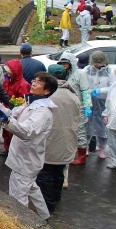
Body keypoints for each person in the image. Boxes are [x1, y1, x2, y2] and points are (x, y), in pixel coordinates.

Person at [0, 72, 59, 221]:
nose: (34, 83)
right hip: (24, 159)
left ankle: (21, 226)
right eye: (34, 80)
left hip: (26, 161)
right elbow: (13, 114)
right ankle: (44, 217)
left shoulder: (42, 112)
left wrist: (6, 121)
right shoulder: (31, 103)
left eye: (39, 82)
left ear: (47, 91)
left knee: (18, 198)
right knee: (32, 188)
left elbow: (26, 132)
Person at [36, 65, 79, 213]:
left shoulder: (48, 96)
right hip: (67, 143)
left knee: (45, 174)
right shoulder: (73, 95)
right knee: (59, 172)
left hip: (50, 142)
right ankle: (56, 196)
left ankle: (48, 206)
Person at [57, 52, 92, 165]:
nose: (63, 65)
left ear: (71, 62)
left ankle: (82, 156)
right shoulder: (64, 74)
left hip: (79, 107)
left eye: (66, 63)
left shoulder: (80, 74)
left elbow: (85, 91)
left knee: (80, 131)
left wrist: (87, 106)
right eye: (62, 63)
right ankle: (70, 153)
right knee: (68, 131)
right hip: (67, 107)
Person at [85, 51, 114, 159]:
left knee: (102, 126)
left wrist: (100, 90)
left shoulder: (109, 72)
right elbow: (82, 83)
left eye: (100, 63)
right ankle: (86, 146)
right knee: (87, 124)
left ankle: (102, 149)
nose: (97, 65)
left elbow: (113, 87)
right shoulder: (87, 70)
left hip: (103, 102)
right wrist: (88, 92)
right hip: (89, 100)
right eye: (95, 63)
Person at [1, 58, 30, 157]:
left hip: (16, 114)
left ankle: (13, 152)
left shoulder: (23, 84)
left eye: (9, 72)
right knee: (6, 133)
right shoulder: (8, 81)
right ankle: (7, 149)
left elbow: (25, 102)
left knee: (13, 134)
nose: (7, 74)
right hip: (6, 112)